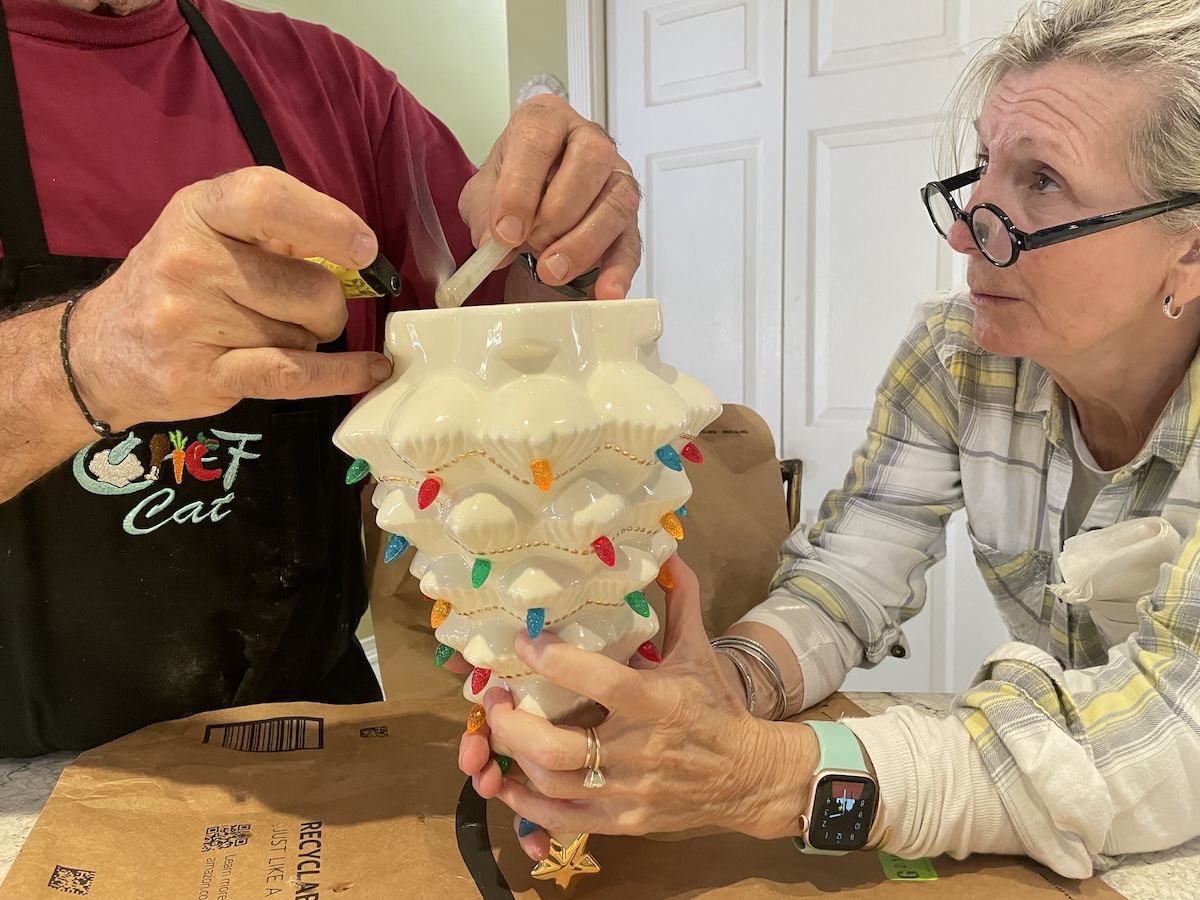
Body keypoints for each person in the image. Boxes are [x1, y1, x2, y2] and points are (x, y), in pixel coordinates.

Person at [460, 0, 1200, 879]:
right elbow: (848, 579)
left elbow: (1171, 732)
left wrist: (773, 780)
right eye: (983, 168)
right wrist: (711, 698)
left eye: (1042, 181)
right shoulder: (959, 359)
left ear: (1187, 250)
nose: (966, 230)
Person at [0, 0, 639, 757]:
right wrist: (80, 357)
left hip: (316, 752)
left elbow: (498, 335)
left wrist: (563, 240)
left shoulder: (336, 89)